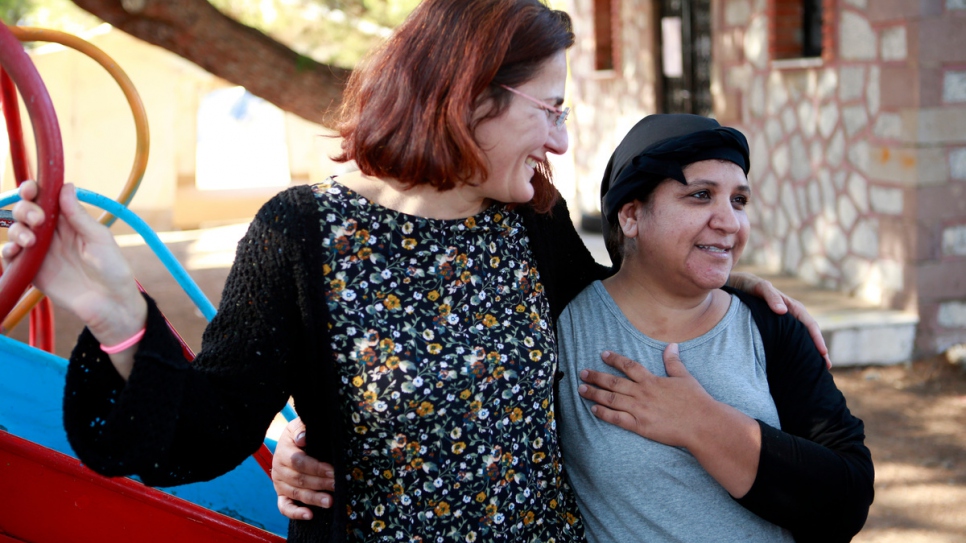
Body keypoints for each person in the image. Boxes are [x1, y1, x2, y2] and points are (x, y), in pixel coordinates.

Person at [1, 0, 827, 540]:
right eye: (552, 109)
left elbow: (619, 306)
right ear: (470, 98)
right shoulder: (301, 234)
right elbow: (206, 432)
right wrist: (119, 322)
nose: (564, 141)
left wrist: (733, 284)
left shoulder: (529, 217)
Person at [268, 115, 873, 542]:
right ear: (631, 215)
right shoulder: (556, 324)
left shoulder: (771, 330)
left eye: (739, 200)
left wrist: (703, 424)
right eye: (700, 195)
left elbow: (847, 497)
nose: (729, 220)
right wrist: (319, 436)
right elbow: (460, 396)